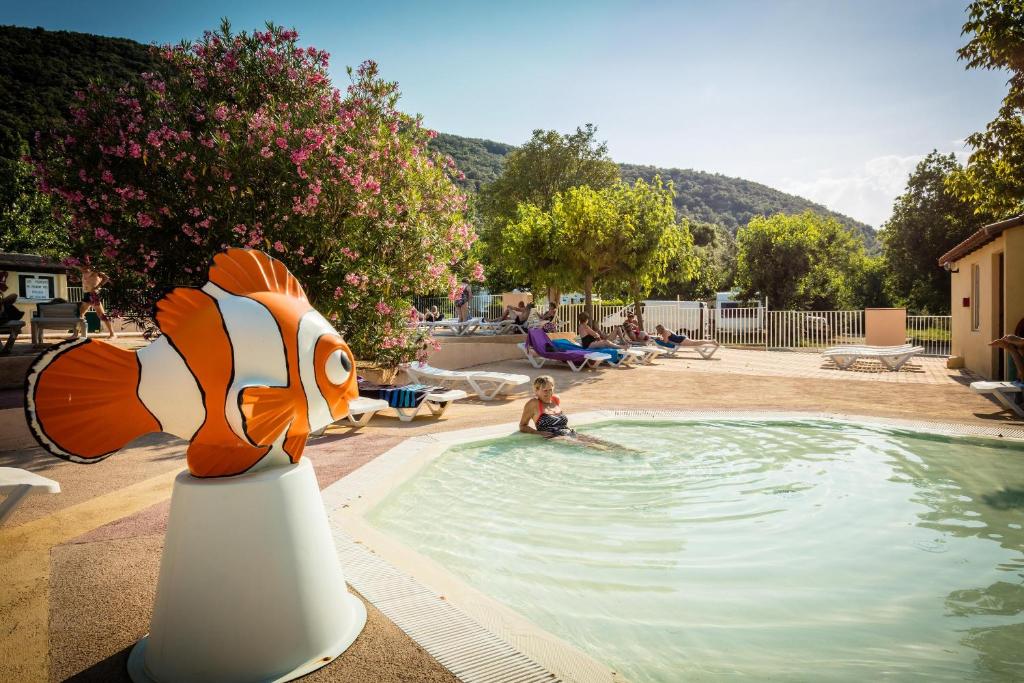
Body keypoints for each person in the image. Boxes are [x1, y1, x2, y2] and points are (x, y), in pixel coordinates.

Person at [518, 375, 619, 449]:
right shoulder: (533, 403)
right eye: (545, 390)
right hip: (555, 437)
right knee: (596, 448)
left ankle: (631, 452)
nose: (549, 393)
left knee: (606, 443)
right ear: (536, 390)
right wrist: (539, 433)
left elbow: (560, 421)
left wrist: (570, 432)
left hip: (569, 433)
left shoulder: (555, 399)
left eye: (551, 389)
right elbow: (522, 426)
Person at [77, 266, 116, 339]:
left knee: (101, 315)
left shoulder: (95, 271)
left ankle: (112, 334)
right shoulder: (83, 272)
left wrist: (97, 287)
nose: (82, 269)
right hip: (86, 294)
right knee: (80, 314)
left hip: (94, 294)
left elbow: (106, 278)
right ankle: (77, 334)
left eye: (83, 267)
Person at [654, 323, 720, 349]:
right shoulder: (666, 330)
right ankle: (711, 342)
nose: (657, 331)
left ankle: (712, 342)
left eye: (657, 330)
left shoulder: (664, 333)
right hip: (681, 339)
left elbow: (666, 342)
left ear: (660, 329)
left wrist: (659, 339)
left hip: (681, 340)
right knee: (695, 342)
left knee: (695, 343)